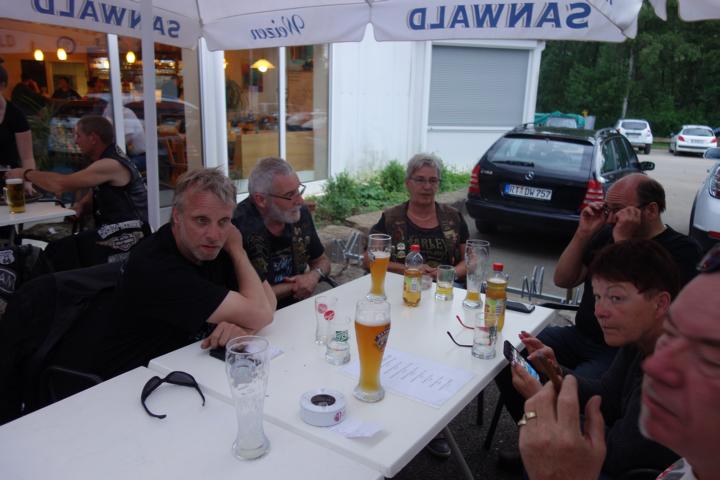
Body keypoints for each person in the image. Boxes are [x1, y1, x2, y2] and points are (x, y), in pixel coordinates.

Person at [519, 244, 720, 480]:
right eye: (597, 297)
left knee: (550, 457)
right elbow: (608, 395)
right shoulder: (640, 339)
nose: (599, 311)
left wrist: (547, 408)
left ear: (660, 303)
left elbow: (618, 454)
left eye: (616, 298)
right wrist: (555, 373)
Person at [93, 168, 277, 379]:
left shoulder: (219, 244)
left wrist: (242, 329)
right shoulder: (156, 265)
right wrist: (237, 250)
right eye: (201, 220)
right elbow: (261, 314)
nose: (214, 235)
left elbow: (268, 303)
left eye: (224, 221)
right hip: (135, 379)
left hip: (191, 364)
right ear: (177, 216)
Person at [6, 115, 148, 269]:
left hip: (131, 234)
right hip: (118, 229)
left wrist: (25, 173)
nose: (75, 141)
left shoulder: (110, 164)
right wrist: (82, 204)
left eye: (78, 135)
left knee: (58, 252)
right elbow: (104, 190)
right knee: (58, 252)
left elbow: (59, 184)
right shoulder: (110, 157)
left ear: (93, 138)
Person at [233, 157, 331, 308]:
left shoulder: (299, 214)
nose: (300, 201)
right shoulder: (237, 227)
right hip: (257, 315)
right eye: (290, 195)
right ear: (261, 200)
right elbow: (242, 296)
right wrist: (295, 286)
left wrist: (313, 276)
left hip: (298, 308)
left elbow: (322, 261)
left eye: (298, 190)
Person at [365, 153, 469, 280]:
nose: (427, 186)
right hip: (402, 284)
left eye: (433, 180)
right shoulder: (391, 218)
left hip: (444, 287)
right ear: (407, 183)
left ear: (438, 184)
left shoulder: (453, 217)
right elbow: (369, 259)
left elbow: (471, 260)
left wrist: (447, 274)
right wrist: (409, 270)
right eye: (420, 180)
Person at [0, 62, 36, 194]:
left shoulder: (15, 115)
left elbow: (27, 157)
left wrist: (28, 182)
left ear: (2, 86)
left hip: (8, 180)